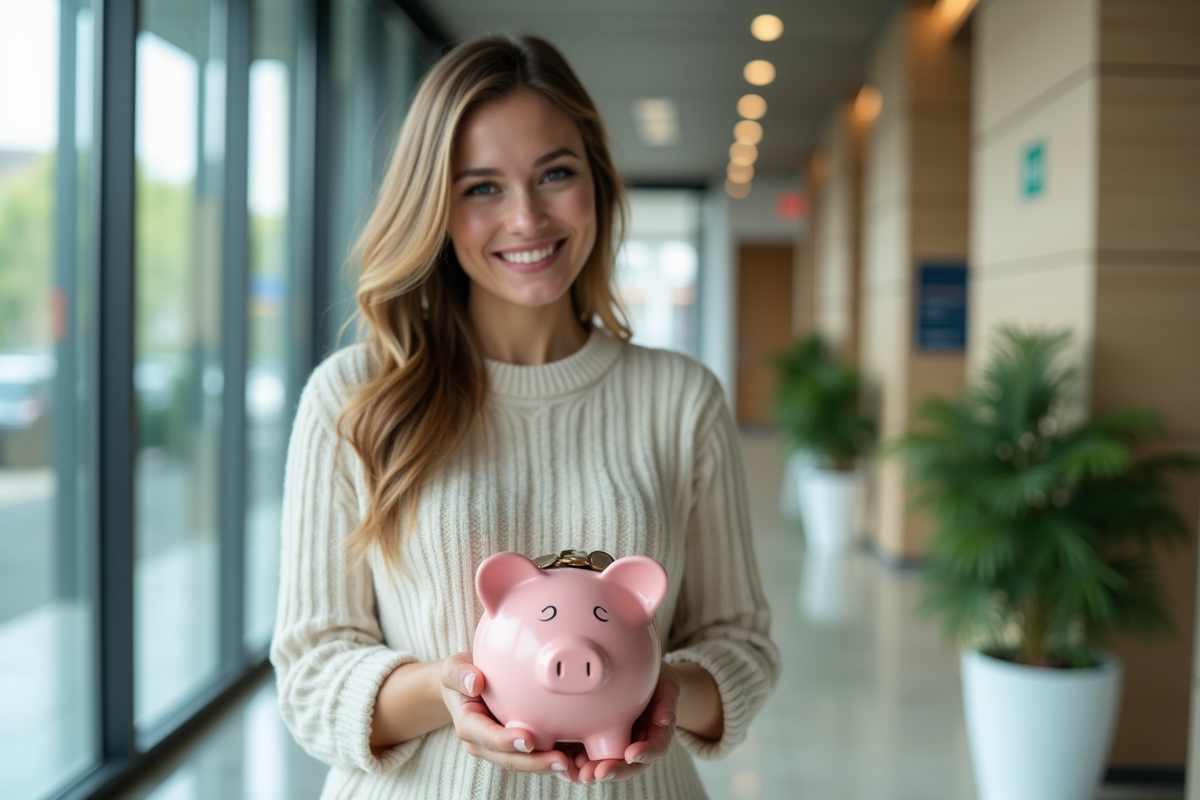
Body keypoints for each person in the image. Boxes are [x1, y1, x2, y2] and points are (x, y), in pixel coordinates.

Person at [271, 34, 780, 799]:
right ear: (435, 207)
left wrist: (666, 691)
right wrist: (447, 693)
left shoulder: (682, 399)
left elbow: (742, 643)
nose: (526, 217)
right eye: (482, 187)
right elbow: (310, 673)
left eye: (556, 174)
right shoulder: (355, 397)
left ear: (597, 182)